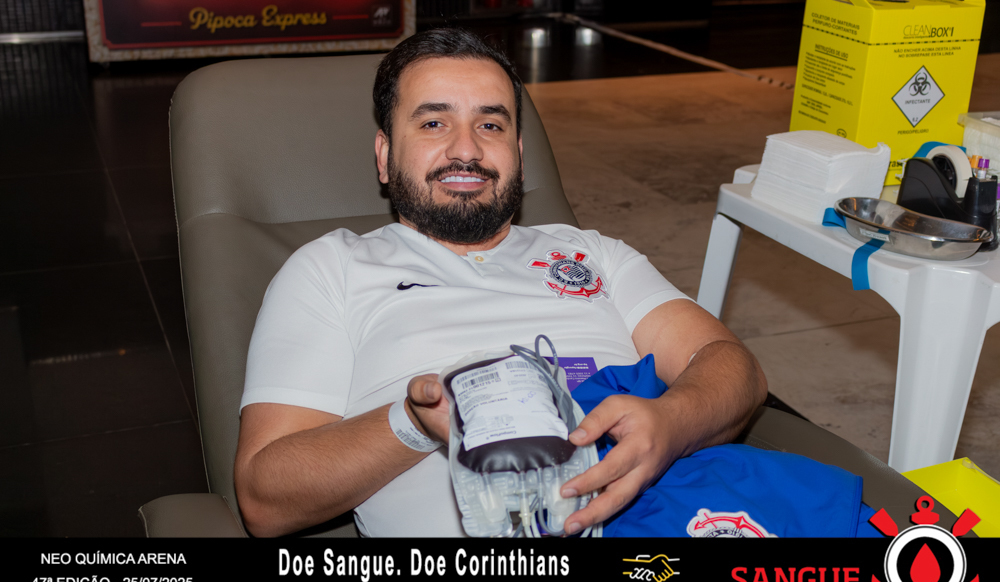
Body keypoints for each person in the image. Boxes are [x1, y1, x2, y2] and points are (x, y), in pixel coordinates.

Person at [234, 28, 768, 538]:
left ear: (519, 153)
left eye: (490, 125)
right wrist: (413, 423)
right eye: (433, 123)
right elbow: (264, 497)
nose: (466, 150)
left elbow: (730, 363)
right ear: (384, 155)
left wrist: (671, 423)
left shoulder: (593, 253)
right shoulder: (332, 267)